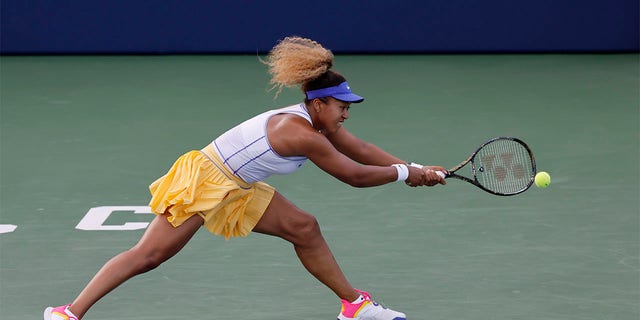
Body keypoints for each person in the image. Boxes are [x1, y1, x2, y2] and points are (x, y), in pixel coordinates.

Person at [43, 36, 446, 320]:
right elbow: (354, 175)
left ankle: (354, 306)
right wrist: (404, 174)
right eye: (342, 107)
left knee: (304, 228)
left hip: (237, 186)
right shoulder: (300, 133)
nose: (346, 114)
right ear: (319, 104)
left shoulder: (318, 121)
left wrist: (415, 169)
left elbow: (360, 150)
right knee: (149, 255)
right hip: (205, 181)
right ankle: (68, 313)